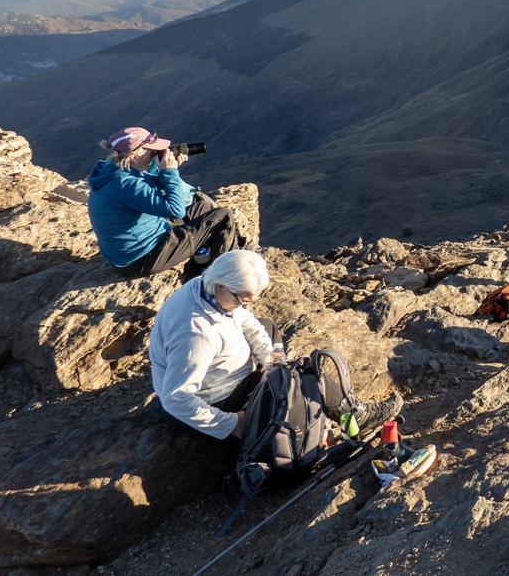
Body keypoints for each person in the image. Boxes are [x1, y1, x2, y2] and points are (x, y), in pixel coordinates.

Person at [148, 249, 401, 441]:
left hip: (220, 370)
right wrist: (233, 424)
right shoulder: (197, 336)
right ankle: (355, 416)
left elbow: (246, 320)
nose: (245, 306)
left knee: (267, 326)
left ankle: (280, 379)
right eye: (242, 300)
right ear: (222, 285)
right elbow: (176, 399)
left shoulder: (204, 287)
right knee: (308, 374)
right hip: (219, 397)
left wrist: (272, 361)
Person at [88, 126, 240, 279]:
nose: (156, 154)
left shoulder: (113, 170)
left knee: (203, 207)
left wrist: (159, 169)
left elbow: (144, 186)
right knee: (223, 217)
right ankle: (222, 275)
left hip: (127, 251)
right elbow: (176, 210)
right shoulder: (126, 184)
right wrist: (170, 172)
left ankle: (203, 261)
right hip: (143, 258)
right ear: (134, 157)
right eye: (152, 152)